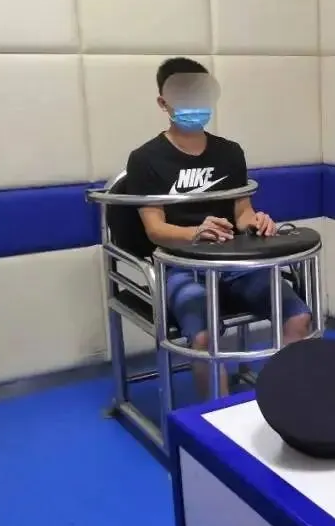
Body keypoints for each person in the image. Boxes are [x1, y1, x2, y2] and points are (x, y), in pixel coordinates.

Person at [125, 57, 312, 399]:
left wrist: (257, 221)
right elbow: (154, 230)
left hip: (233, 265)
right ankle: (219, 418)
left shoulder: (230, 152)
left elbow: (243, 213)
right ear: (163, 103)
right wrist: (195, 232)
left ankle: (286, 404)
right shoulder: (144, 159)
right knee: (203, 339)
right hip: (181, 268)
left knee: (298, 317)